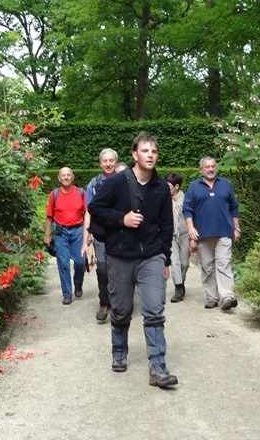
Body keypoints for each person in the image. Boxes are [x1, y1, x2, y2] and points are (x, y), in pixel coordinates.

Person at [88, 132, 177, 388]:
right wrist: (121, 219)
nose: (150, 155)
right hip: (120, 255)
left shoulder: (161, 187)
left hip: (151, 256)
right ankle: (119, 350)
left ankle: (158, 367)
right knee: (122, 308)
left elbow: (166, 225)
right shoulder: (117, 182)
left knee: (154, 310)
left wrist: (166, 259)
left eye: (154, 152)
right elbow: (96, 208)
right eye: (145, 151)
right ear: (135, 155)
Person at [183, 156, 240, 310]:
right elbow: (187, 209)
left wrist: (236, 228)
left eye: (213, 166)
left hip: (224, 232)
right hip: (203, 234)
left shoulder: (225, 184)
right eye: (207, 167)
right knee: (207, 266)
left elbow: (234, 207)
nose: (211, 169)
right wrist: (191, 229)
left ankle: (227, 296)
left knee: (223, 263)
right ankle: (211, 297)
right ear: (201, 169)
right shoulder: (194, 186)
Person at [81, 148, 118, 321]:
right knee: (102, 268)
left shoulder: (125, 181)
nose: (108, 163)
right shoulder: (93, 185)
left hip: (122, 234)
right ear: (100, 163)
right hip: (102, 234)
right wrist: (86, 237)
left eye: (111, 160)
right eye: (105, 161)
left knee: (120, 269)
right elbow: (88, 212)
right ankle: (104, 303)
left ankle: (120, 302)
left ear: (116, 162)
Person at [44, 167, 87, 305]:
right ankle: (67, 294)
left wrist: (89, 233)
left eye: (69, 175)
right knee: (63, 264)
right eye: (63, 175)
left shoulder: (81, 193)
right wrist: (47, 235)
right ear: (59, 178)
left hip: (78, 231)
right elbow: (49, 217)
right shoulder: (54, 194)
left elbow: (87, 215)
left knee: (80, 262)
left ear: (73, 177)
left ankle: (78, 284)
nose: (66, 177)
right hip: (61, 233)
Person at [164, 172, 189, 303]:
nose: (166, 188)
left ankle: (182, 281)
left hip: (185, 234)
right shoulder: (164, 200)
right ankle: (178, 288)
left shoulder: (187, 199)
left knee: (184, 263)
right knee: (174, 262)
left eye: (168, 186)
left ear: (177, 186)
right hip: (171, 235)